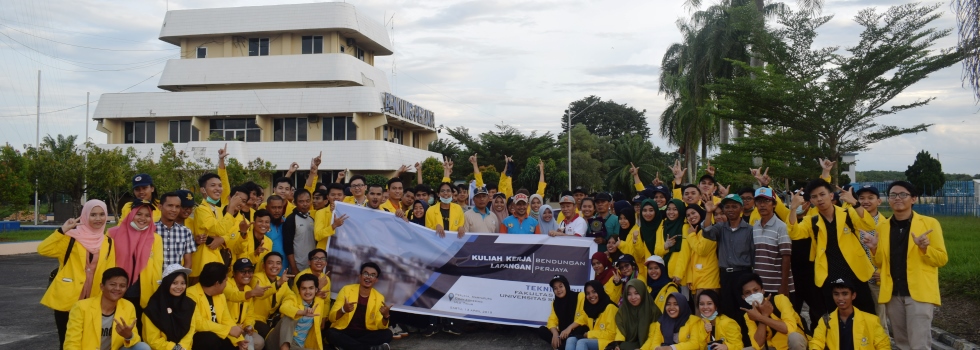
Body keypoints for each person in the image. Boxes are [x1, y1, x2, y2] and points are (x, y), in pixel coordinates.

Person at [862, 181, 946, 350]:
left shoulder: (929, 224)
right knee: (901, 343)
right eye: (893, 195)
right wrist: (874, 248)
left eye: (903, 194)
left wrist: (924, 248)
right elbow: (880, 262)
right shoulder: (882, 226)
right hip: (893, 293)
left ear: (913, 199)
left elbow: (941, 259)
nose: (897, 198)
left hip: (919, 294)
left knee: (919, 344)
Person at [788, 178, 876, 317]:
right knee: (837, 319)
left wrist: (855, 202)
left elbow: (869, 225)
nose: (819, 199)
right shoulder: (812, 220)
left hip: (855, 273)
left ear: (830, 195)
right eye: (815, 197)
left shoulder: (848, 213)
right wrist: (792, 208)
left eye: (822, 194)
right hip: (829, 276)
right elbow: (794, 233)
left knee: (866, 315)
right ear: (810, 200)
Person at [39, 199, 115, 350]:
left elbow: (109, 273)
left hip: (93, 300)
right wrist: (62, 230)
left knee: (89, 342)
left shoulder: (108, 242)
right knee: (67, 342)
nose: (98, 219)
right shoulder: (71, 238)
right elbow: (43, 249)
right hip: (67, 299)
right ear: (85, 216)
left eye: (101, 214)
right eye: (93, 215)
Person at [702, 194, 754, 344]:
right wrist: (709, 212)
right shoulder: (720, 228)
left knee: (746, 311)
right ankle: (731, 343)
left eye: (734, 206)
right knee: (728, 311)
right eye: (727, 207)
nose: (730, 210)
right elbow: (706, 232)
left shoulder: (749, 230)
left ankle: (747, 343)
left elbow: (753, 254)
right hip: (725, 276)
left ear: (741, 209)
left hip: (744, 275)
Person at [63, 267, 150, 350]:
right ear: (102, 286)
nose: (117, 289)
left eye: (122, 286)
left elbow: (135, 340)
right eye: (113, 284)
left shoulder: (128, 306)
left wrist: (128, 336)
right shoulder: (81, 307)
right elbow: (72, 342)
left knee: (143, 347)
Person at [110, 200, 164, 331]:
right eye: (139, 214)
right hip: (118, 291)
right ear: (131, 214)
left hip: (143, 295)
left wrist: (156, 295)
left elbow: (157, 268)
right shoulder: (113, 234)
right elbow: (108, 264)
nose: (143, 218)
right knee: (116, 329)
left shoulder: (155, 238)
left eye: (147, 215)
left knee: (138, 330)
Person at [327, 262, 395, 350]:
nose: (368, 277)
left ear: (376, 280)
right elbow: (332, 318)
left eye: (373, 275)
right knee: (331, 333)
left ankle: (347, 346)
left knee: (387, 334)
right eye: (366, 273)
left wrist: (385, 316)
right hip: (345, 330)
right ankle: (369, 348)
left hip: (366, 333)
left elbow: (380, 326)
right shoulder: (346, 290)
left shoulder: (379, 297)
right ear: (360, 276)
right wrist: (343, 310)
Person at [809, 278, 890, 350]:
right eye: (836, 294)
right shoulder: (825, 321)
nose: (840, 298)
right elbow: (817, 341)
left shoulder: (871, 320)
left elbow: (883, 345)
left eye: (845, 294)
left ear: (853, 296)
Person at [190, 152, 232, 281]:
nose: (218, 189)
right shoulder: (201, 210)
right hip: (203, 263)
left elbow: (230, 232)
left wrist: (221, 162)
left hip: (217, 260)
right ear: (203, 190)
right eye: (213, 186)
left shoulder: (218, 208)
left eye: (219, 186)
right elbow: (220, 229)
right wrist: (230, 210)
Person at [853, 184, 889, 331]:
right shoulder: (852, 220)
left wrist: (884, 271)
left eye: (870, 198)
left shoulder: (886, 223)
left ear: (879, 201)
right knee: (858, 317)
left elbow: (890, 252)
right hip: (856, 277)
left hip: (876, 278)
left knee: (880, 318)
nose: (865, 201)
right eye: (861, 198)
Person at [739, 273, 807, 350]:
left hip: (794, 344)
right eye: (748, 293)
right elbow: (757, 345)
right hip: (774, 347)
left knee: (794, 337)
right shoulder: (749, 315)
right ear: (744, 297)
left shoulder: (780, 300)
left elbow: (789, 329)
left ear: (762, 291)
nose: (753, 294)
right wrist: (763, 316)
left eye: (755, 290)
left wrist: (760, 318)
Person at [187, 262, 245, 350]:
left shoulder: (220, 295)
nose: (226, 284)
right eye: (225, 281)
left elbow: (226, 319)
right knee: (210, 339)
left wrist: (239, 340)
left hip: (218, 335)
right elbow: (198, 323)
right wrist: (228, 330)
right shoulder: (190, 294)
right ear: (217, 283)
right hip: (198, 339)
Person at [143, 264, 197, 350]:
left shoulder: (189, 304)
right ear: (166, 283)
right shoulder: (153, 307)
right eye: (174, 283)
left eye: (182, 283)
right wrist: (174, 348)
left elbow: (191, 330)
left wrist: (182, 346)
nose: (179, 287)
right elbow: (152, 340)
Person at [752, 187, 794, 296]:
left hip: (777, 286)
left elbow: (786, 257)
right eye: (759, 201)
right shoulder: (754, 226)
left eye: (766, 201)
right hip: (759, 286)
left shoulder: (782, 227)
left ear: (774, 204)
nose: (762, 205)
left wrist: (784, 285)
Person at [266, 274, 327, 350]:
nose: (307, 292)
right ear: (298, 290)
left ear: (316, 289)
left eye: (311, 288)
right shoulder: (292, 298)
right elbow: (283, 308)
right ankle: (285, 347)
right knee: (289, 317)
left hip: (298, 345)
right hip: (278, 340)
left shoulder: (319, 302)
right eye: (304, 288)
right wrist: (302, 312)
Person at [223, 258, 266, 350]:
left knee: (259, 342)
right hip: (227, 327)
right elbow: (233, 295)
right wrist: (251, 293)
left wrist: (248, 325)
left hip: (242, 328)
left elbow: (250, 314)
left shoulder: (248, 288)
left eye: (250, 271)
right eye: (243, 271)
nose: (247, 274)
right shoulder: (226, 284)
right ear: (234, 273)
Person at [567, 280, 619, 350]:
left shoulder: (610, 307)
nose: (591, 296)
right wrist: (569, 328)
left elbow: (611, 334)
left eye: (594, 291)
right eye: (588, 293)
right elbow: (582, 319)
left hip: (608, 342)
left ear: (600, 291)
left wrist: (589, 334)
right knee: (571, 340)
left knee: (582, 342)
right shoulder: (590, 308)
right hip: (594, 339)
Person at [611, 279, 662, 350]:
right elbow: (620, 330)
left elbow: (653, 337)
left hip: (648, 346)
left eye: (636, 293)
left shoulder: (653, 311)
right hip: (629, 344)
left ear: (642, 292)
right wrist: (617, 344)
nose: (633, 297)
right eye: (629, 294)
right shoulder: (623, 310)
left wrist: (642, 349)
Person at [252, 252, 294, 338]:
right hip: (254, 319)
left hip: (270, 320)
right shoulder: (257, 278)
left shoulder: (281, 280)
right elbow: (261, 294)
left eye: (278, 263)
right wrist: (279, 283)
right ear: (263, 266)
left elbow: (291, 296)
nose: (275, 266)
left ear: (281, 266)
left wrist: (285, 307)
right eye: (270, 263)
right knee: (273, 337)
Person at [538, 275, 585, 350]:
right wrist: (555, 333)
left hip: (575, 331)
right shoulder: (555, 303)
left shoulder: (580, 296)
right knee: (542, 330)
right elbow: (552, 320)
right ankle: (561, 345)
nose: (558, 290)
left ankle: (561, 346)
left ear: (566, 286)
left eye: (561, 286)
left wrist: (569, 328)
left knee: (580, 330)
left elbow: (584, 316)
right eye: (555, 288)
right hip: (563, 334)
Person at [653, 199, 690, 291]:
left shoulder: (685, 227)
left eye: (675, 209)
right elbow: (657, 251)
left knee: (682, 302)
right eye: (669, 209)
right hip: (663, 273)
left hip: (680, 275)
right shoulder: (662, 225)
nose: (671, 212)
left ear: (680, 211)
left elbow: (685, 252)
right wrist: (666, 246)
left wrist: (678, 273)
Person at [685, 205, 720, 294]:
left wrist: (691, 236)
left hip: (709, 281)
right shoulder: (695, 232)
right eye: (688, 215)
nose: (691, 216)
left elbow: (702, 250)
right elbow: (691, 258)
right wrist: (690, 278)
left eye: (693, 213)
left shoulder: (709, 231)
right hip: (697, 281)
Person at [157, 192, 197, 269]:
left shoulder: (186, 232)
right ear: (160, 207)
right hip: (153, 279)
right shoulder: (150, 229)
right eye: (170, 206)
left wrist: (178, 278)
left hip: (176, 278)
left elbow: (188, 263)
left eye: (177, 206)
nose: (174, 210)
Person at [284, 190, 316, 274]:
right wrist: (294, 268)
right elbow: (288, 246)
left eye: (307, 201)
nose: (305, 204)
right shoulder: (291, 220)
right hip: (298, 267)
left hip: (312, 265)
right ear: (295, 203)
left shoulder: (311, 219)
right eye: (301, 201)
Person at [313, 183, 350, 250]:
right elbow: (317, 236)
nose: (336, 197)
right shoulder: (320, 213)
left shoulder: (348, 212)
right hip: (324, 252)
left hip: (342, 251)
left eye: (339, 195)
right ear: (327, 197)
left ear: (344, 197)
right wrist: (333, 226)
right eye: (333, 195)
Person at [266, 195, 289, 274]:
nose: (277, 211)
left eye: (280, 207)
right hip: (268, 271)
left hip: (285, 270)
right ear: (267, 208)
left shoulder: (287, 223)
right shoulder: (263, 225)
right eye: (273, 207)